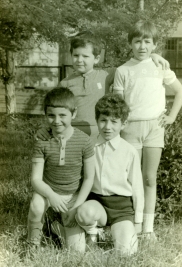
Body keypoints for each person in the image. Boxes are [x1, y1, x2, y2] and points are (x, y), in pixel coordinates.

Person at [113, 20, 182, 240]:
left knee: (149, 178)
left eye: (147, 41)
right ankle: (132, 225)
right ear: (130, 44)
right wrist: (120, 125)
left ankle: (148, 228)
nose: (142, 46)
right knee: (130, 179)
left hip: (154, 128)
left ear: (154, 45)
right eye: (137, 41)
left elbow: (180, 92)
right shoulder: (123, 70)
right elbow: (117, 103)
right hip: (130, 129)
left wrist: (171, 116)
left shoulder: (160, 66)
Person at [36, 34, 170, 145]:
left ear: (97, 59)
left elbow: (132, 64)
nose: (79, 60)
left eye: (85, 56)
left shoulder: (106, 75)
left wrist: (152, 56)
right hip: (73, 135)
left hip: (102, 135)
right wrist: (45, 128)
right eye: (76, 55)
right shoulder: (65, 83)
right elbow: (54, 110)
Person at [27, 87, 95, 252]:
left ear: (74, 113)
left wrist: (77, 206)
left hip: (73, 196)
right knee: (36, 205)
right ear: (45, 115)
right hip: (48, 193)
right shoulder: (42, 141)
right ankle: (32, 243)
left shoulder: (84, 141)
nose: (57, 121)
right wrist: (51, 196)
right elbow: (35, 179)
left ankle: (56, 225)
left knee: (76, 251)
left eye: (62, 115)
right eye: (51, 115)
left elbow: (88, 178)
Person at [75, 94, 144, 255]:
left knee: (126, 252)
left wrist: (138, 221)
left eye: (114, 121)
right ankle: (94, 232)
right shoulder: (89, 146)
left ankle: (116, 232)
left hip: (121, 208)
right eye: (103, 120)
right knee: (84, 213)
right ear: (97, 120)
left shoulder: (129, 151)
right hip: (97, 203)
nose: (108, 127)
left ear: (123, 124)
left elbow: (138, 189)